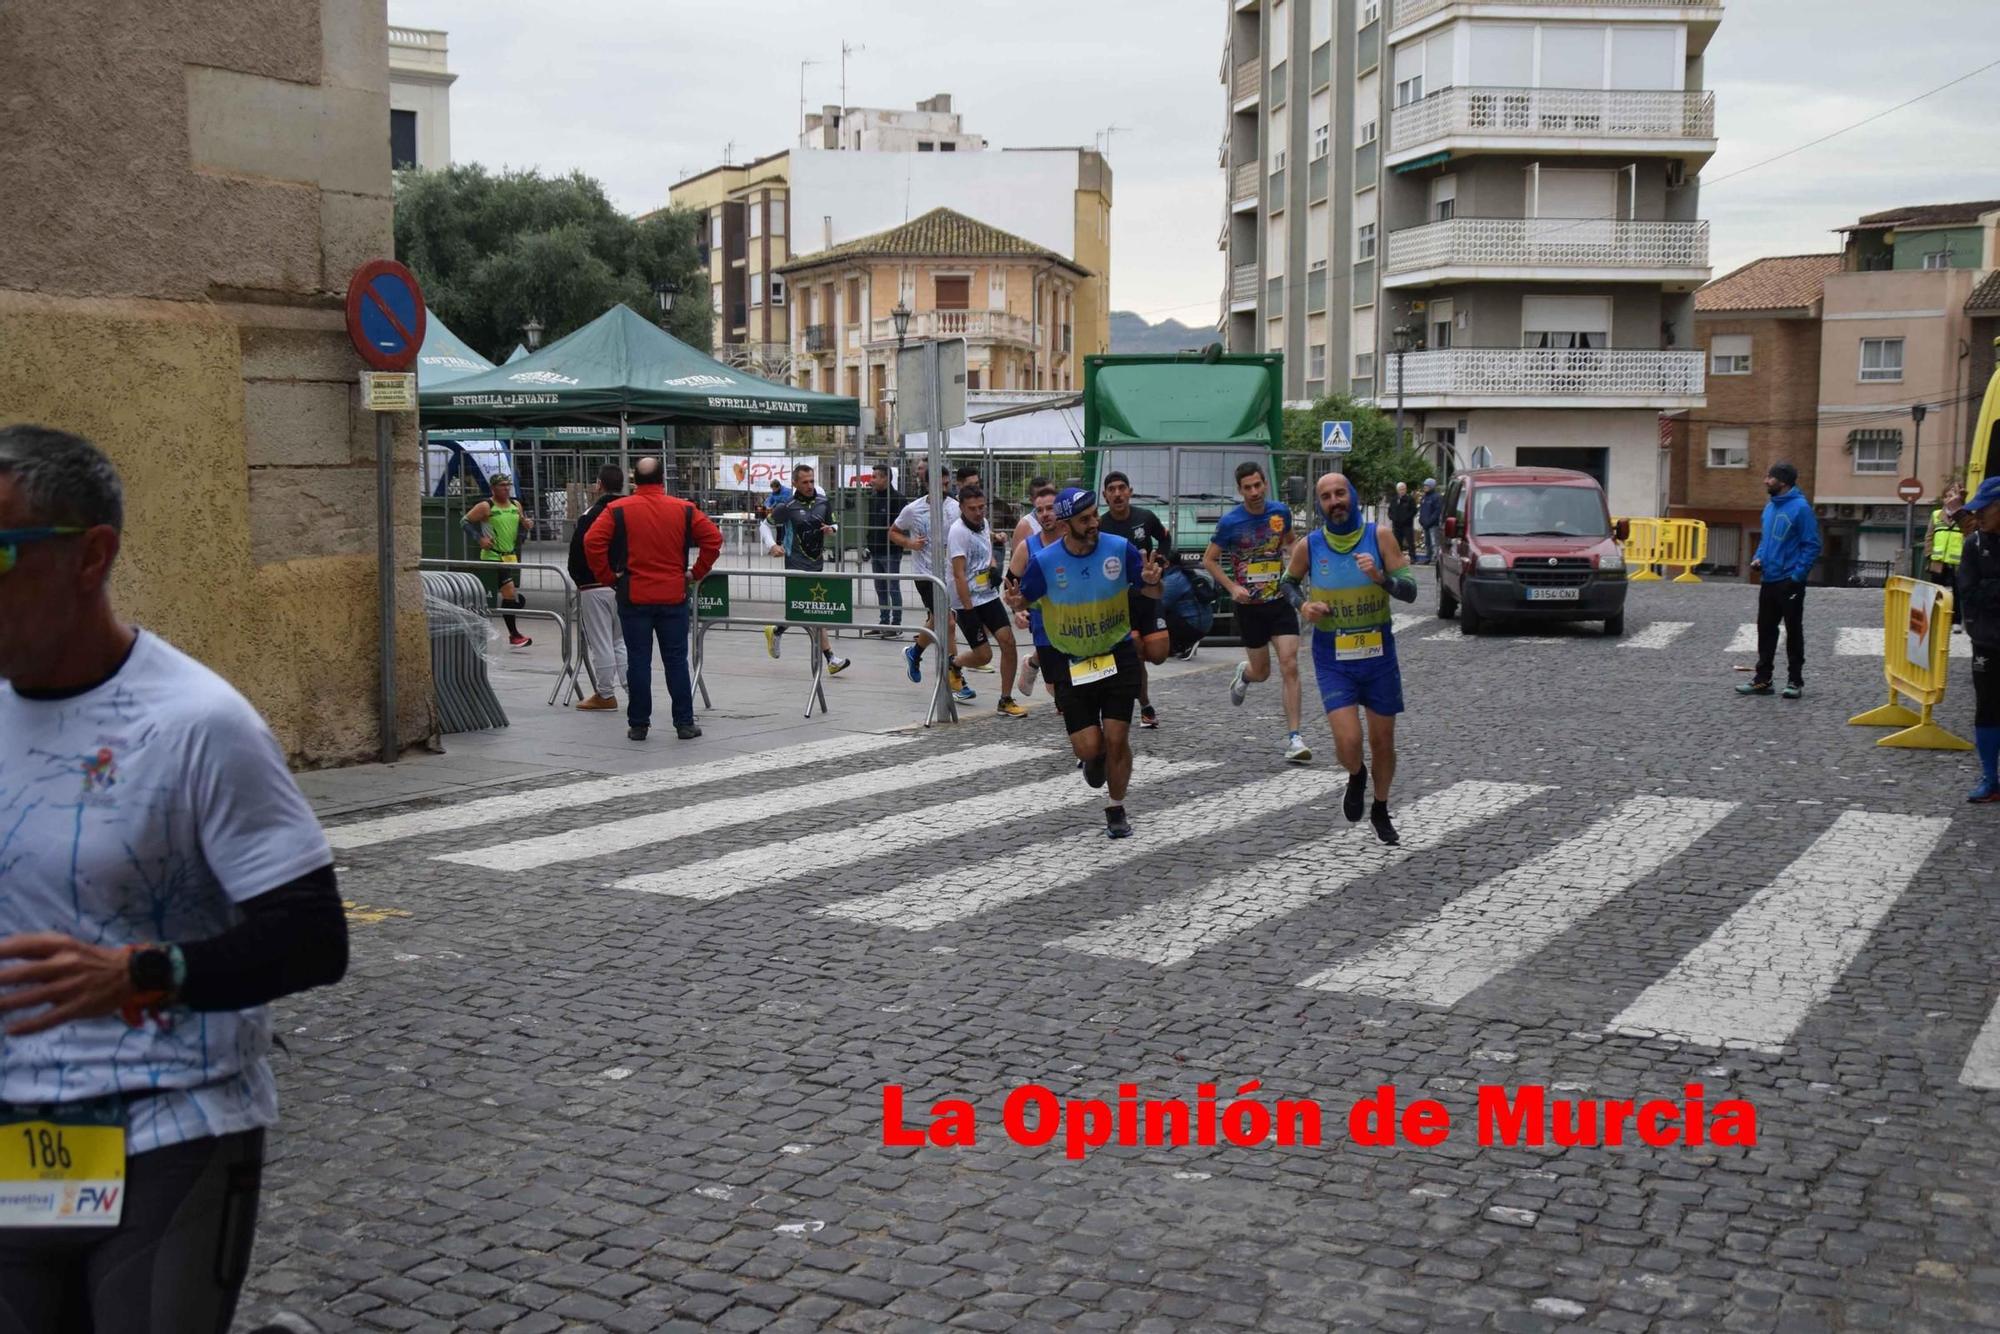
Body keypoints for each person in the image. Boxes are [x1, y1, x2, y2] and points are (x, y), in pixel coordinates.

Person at [0, 425, 348, 1330]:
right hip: (18, 1136)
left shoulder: (199, 724)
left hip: (169, 1126)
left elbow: (314, 935)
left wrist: (140, 974)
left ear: (91, 557)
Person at [1007, 488, 1168, 839]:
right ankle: (1095, 763)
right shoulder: (1045, 562)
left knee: (1117, 737)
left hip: (1117, 653)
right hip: (1070, 660)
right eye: (1085, 520)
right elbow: (1024, 598)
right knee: (1090, 748)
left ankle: (1116, 807)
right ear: (1066, 526)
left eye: (1095, 515)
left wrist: (1154, 584)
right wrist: (1018, 603)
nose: (1094, 523)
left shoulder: (1118, 548)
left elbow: (1150, 590)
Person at [1283, 471, 1416, 845]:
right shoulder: (1310, 545)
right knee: (1348, 740)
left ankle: (1380, 806)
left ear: (1352, 496)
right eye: (1326, 497)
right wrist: (1304, 605)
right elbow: (1287, 584)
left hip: (1378, 654)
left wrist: (1380, 578)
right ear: (1320, 505)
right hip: (1333, 655)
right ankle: (1356, 775)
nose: (1335, 501)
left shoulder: (1380, 537)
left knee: (1382, 741)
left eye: (1340, 493)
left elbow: (1410, 590)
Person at [585, 455, 723, 741]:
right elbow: (713, 538)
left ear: (635, 479)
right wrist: (695, 572)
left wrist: (610, 576)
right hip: (673, 594)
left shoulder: (617, 509)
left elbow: (592, 541)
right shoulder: (684, 509)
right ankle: (684, 723)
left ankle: (638, 725)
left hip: (634, 594)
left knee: (638, 659)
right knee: (676, 660)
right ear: (663, 479)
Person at [1205, 461, 1310, 764]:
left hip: (1279, 600)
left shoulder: (1280, 513)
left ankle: (1295, 738)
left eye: (1258, 485)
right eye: (1247, 487)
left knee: (1290, 664)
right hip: (1249, 606)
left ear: (1265, 483)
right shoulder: (1230, 523)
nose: (1254, 492)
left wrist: (1296, 568)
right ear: (1239, 490)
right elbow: (1210, 559)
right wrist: (1231, 588)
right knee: (1262, 672)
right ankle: (1245, 673)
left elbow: (1290, 542)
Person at [1738, 461, 1822, 700]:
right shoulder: (1770, 507)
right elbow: (1766, 541)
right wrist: (1758, 558)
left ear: (1783, 481)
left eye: (1770, 477)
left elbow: (1812, 544)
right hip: (1769, 578)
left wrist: (1797, 575)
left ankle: (1795, 681)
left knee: (1793, 631)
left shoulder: (1801, 508)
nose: (1766, 481)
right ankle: (1763, 680)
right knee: (1765, 630)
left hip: (1789, 580)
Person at [1098, 471, 1175, 728]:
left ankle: (1138, 682)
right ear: (1105, 496)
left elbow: (1165, 539)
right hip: (1121, 605)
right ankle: (1145, 705)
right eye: (1112, 489)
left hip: (1149, 597)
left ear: (1130, 491)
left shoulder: (1145, 518)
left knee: (1158, 654)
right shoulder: (1101, 526)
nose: (1118, 493)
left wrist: (1161, 562)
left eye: (1122, 488)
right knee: (1134, 653)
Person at [763, 464, 851, 675]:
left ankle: (776, 630)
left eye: (812, 480)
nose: (810, 485)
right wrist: (772, 545)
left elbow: (835, 524)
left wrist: (832, 529)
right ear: (794, 483)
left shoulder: (822, 502)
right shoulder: (787, 506)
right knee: (813, 610)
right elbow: (764, 525)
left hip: (816, 563)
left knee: (808, 610)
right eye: (805, 482)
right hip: (795, 563)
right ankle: (830, 658)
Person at [947, 487, 1027, 718]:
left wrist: (993, 568)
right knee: (984, 656)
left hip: (988, 596)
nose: (978, 512)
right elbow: (959, 574)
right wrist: (968, 610)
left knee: (1008, 642)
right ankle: (954, 664)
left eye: (981, 507)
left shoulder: (984, 524)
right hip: (968, 601)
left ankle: (1005, 699)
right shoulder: (958, 533)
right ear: (961, 507)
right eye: (972, 509)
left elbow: (987, 553)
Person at [892, 480, 974, 702]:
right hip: (926, 575)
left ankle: (914, 653)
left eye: (946, 483)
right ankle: (956, 678)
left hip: (948, 574)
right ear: (928, 484)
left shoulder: (955, 507)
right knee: (947, 622)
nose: (943, 487)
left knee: (939, 621)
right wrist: (910, 544)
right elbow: (893, 533)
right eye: (939, 482)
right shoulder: (913, 509)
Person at [567, 463, 627, 712]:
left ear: (598, 485)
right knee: (620, 641)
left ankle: (605, 694)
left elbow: (579, 551)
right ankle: (634, 687)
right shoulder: (629, 511)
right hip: (624, 584)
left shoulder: (592, 514)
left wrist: (581, 578)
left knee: (601, 641)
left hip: (594, 583)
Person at [1955, 476, 2000, 802]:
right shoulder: (1974, 544)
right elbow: (1968, 592)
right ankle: (1990, 779)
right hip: (1987, 641)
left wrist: (1990, 586)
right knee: (1986, 710)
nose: (1978, 516)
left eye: (1983, 509)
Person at [463, 472, 531, 647]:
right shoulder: (486, 506)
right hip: (492, 557)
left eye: (508, 484)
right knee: (508, 592)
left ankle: (480, 625)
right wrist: (480, 539)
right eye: (502, 485)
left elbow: (522, 525)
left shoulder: (516, 505)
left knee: (502, 596)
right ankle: (514, 635)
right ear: (493, 488)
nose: (506, 488)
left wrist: (525, 528)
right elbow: (464, 522)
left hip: (510, 555)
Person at [1008, 484, 1063, 700]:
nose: (1045, 514)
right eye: (1040, 510)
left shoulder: (1074, 540)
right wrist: (1017, 609)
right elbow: (1010, 583)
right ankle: (1033, 664)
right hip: (1043, 622)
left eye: (1050, 508)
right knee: (1056, 686)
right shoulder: (1028, 546)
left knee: (1073, 687)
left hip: (1074, 618)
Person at [863, 463, 904, 637]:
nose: (872, 480)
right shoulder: (874, 498)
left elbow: (901, 526)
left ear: (885, 478)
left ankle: (895, 625)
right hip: (876, 549)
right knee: (880, 588)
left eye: (875, 477)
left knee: (892, 586)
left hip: (891, 551)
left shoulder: (897, 499)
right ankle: (884, 621)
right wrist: (869, 543)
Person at [1928, 483, 1966, 589]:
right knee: (1937, 593)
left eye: (1952, 496)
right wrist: (1929, 555)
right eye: (1946, 496)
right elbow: (1929, 537)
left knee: (1957, 595)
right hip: (1938, 562)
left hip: (1958, 564)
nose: (1948, 499)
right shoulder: (1936, 514)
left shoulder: (1965, 515)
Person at [1389, 481, 1418, 557]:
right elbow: (1390, 510)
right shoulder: (1394, 499)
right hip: (1397, 525)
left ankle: (1412, 557)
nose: (1402, 491)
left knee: (1410, 541)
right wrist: (1392, 517)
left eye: (1403, 489)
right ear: (1397, 490)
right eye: (1400, 489)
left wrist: (1406, 518)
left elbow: (1413, 511)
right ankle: (1398, 557)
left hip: (1407, 524)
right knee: (1397, 541)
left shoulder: (1410, 499)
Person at [1418, 478, 1443, 565]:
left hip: (1433, 524)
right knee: (1427, 542)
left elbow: (1437, 511)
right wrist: (1421, 520)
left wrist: (1429, 521)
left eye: (1427, 486)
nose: (1425, 487)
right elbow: (1422, 510)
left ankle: (1435, 558)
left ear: (1432, 486)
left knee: (1434, 542)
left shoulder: (1437, 497)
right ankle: (1428, 557)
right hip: (1425, 524)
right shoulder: (1424, 497)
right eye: (1424, 485)